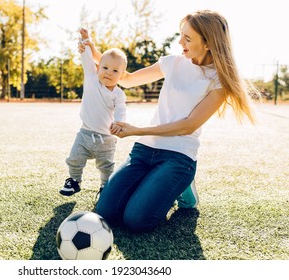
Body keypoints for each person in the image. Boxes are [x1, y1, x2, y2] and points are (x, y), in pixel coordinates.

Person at [80, 10, 258, 231]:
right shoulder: (172, 62)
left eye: (188, 38)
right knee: (106, 211)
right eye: (180, 35)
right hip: (144, 151)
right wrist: (93, 52)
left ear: (208, 43)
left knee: (136, 220)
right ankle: (156, 183)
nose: (180, 41)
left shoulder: (218, 82)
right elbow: (126, 79)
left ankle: (184, 187)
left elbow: (188, 125)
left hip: (178, 157)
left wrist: (137, 130)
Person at [60, 28, 127, 196]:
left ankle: (106, 186)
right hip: (84, 133)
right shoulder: (91, 78)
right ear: (97, 68)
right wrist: (86, 40)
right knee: (74, 159)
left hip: (106, 138)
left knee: (106, 166)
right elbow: (86, 57)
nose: (108, 73)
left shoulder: (118, 94)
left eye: (115, 71)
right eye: (104, 67)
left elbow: (121, 110)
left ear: (122, 75)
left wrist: (119, 123)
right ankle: (74, 181)